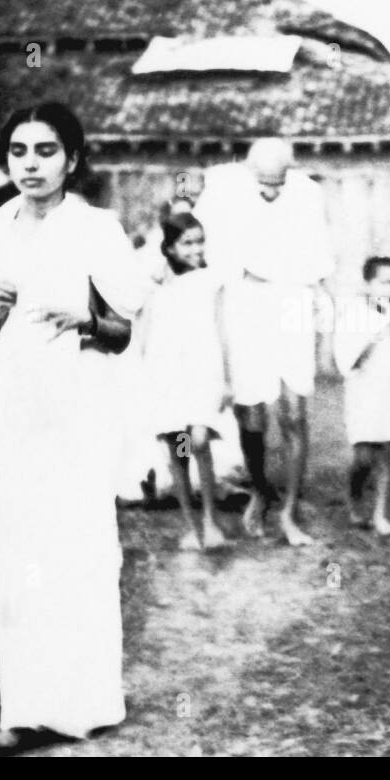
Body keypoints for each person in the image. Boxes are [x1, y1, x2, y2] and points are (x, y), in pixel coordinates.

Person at [0, 102, 150, 751]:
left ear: (72, 158)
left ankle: (85, 704)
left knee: (80, 551)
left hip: (77, 412)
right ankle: (25, 711)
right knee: (15, 554)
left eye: (46, 151)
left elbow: (125, 333)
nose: (31, 164)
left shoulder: (97, 229)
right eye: (19, 151)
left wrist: (87, 320)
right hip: (8, 417)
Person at [194, 138, 335, 547]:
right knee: (250, 414)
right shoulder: (222, 188)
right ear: (247, 169)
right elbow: (203, 249)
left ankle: (289, 512)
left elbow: (320, 259)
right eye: (263, 183)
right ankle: (259, 490)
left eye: (279, 182)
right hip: (246, 302)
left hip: (293, 298)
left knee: (294, 411)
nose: (271, 191)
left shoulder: (308, 193)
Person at [139, 212, 233, 552]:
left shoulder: (211, 281)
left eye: (199, 241)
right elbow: (146, 332)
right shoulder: (157, 283)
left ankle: (211, 519)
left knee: (200, 441)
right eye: (187, 243)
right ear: (170, 248)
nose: (195, 249)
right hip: (168, 375)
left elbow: (222, 330)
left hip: (202, 371)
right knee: (178, 445)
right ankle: (191, 524)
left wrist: (227, 379)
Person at [334, 256, 390, 537]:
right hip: (364, 395)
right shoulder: (353, 315)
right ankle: (354, 495)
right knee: (364, 457)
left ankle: (380, 514)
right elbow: (347, 361)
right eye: (384, 283)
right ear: (368, 285)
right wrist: (370, 339)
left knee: (387, 452)